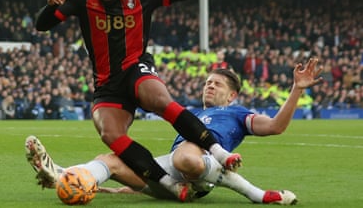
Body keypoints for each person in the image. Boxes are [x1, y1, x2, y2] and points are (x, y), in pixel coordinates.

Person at [34, 0, 271, 201]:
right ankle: (168, 184)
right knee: (110, 134)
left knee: (158, 99)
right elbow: (42, 25)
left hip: (136, 67)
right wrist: (50, 5)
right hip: (107, 83)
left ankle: (218, 152)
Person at [26, 58, 322, 204]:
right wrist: (114, 187)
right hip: (170, 172)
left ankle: (253, 192)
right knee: (112, 158)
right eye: (207, 82)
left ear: (232, 95)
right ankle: (63, 174)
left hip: (198, 165)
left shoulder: (237, 113)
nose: (209, 85)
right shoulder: (190, 114)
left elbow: (276, 126)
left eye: (216, 84)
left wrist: (296, 89)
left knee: (187, 153)